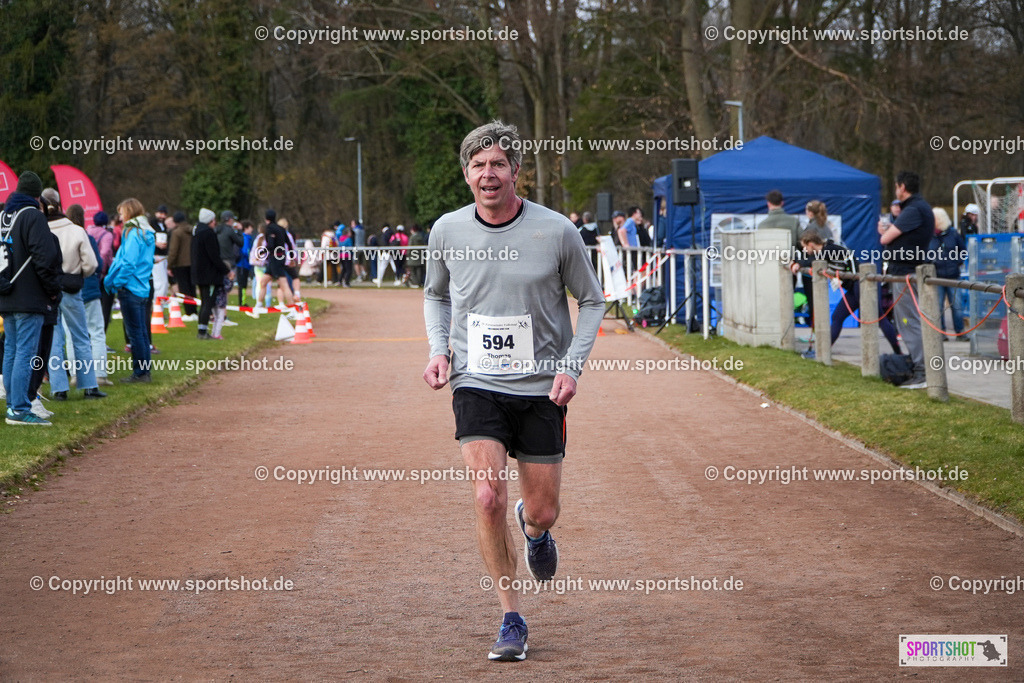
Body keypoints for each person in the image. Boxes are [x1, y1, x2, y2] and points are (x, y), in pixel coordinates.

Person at [423, 120, 604, 662]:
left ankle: (535, 529)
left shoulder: (556, 231)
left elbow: (592, 301)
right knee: (486, 495)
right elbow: (436, 297)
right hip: (475, 381)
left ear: (516, 172)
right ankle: (510, 617)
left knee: (542, 510)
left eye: (498, 163)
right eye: (478, 165)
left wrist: (572, 367)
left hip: (542, 389)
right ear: (465, 175)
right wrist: (438, 349)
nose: (488, 174)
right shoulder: (447, 231)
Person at [1, 172, 62, 425]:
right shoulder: (33, 216)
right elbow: (44, 257)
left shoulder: (4, 215)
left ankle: (13, 404)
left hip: (6, 293)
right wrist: (52, 289)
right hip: (29, 295)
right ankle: (19, 408)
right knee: (25, 352)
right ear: (37, 196)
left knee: (11, 351)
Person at [791, 229, 901, 357]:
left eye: (805, 247)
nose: (805, 250)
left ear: (810, 243)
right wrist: (795, 261)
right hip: (853, 288)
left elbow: (814, 261)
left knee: (880, 318)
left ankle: (898, 352)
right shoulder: (824, 251)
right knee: (837, 317)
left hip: (861, 284)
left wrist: (797, 264)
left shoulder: (829, 249)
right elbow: (809, 259)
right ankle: (822, 352)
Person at [41, 189, 104, 401]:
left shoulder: (40, 230)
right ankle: (89, 386)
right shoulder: (76, 230)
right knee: (80, 336)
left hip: (47, 289)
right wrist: (78, 273)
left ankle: (59, 388)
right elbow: (92, 264)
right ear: (60, 205)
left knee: (54, 339)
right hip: (71, 287)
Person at [879, 171, 934, 389]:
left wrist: (884, 232)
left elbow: (885, 238)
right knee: (911, 322)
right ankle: (919, 367)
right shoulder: (919, 207)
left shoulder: (913, 209)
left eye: (896, 187)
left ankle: (922, 371)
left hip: (905, 273)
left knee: (909, 322)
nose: (895, 191)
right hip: (907, 271)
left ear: (902, 187)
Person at [104, 199, 155, 383]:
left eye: (122, 213)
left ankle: (140, 373)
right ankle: (145, 371)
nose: (120, 217)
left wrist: (116, 282)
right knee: (141, 332)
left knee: (135, 333)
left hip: (130, 287)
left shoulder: (134, 233)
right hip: (142, 286)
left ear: (129, 212)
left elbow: (128, 263)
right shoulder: (147, 232)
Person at [191, 208, 231, 340]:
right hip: (209, 275)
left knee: (204, 302)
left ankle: (202, 329)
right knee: (208, 302)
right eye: (213, 220)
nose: (215, 223)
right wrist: (226, 270)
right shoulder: (209, 234)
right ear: (210, 220)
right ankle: (202, 332)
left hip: (199, 273)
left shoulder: (196, 233)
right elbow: (214, 256)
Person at [931, 207, 966, 338]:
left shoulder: (953, 234)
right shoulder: (929, 235)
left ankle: (960, 332)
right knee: (938, 306)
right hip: (937, 277)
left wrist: (956, 262)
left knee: (957, 306)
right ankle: (941, 333)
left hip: (953, 275)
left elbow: (963, 250)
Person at [258, 210, 295, 309]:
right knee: (263, 282)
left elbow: (270, 245)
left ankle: (292, 309)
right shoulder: (281, 229)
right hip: (279, 257)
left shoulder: (269, 229)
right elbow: (290, 244)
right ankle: (259, 305)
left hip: (275, 259)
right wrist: (291, 258)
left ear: (266, 219)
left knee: (284, 284)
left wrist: (262, 252)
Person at [167, 211, 196, 317]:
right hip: (193, 262)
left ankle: (189, 312)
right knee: (192, 287)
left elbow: (173, 251)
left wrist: (169, 265)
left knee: (184, 289)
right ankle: (194, 311)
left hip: (180, 264)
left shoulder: (177, 232)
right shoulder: (192, 230)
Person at [236, 221, 254, 307]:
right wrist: (250, 258)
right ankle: (242, 302)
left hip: (245, 264)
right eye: (251, 227)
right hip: (242, 264)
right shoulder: (245, 238)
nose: (252, 229)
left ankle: (242, 301)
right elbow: (245, 251)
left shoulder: (248, 238)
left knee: (243, 283)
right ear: (246, 228)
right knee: (242, 284)